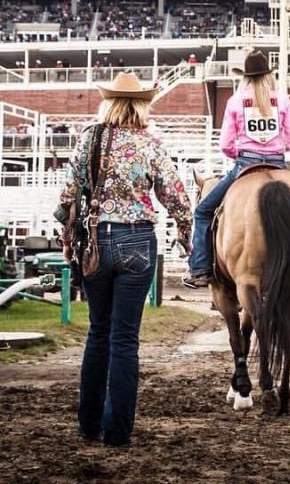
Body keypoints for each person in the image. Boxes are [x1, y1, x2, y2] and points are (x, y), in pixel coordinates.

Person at [54, 72, 192, 448]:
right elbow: (176, 196)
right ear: (141, 105)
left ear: (108, 102)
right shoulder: (150, 143)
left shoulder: (89, 139)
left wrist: (69, 242)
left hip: (96, 241)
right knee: (125, 338)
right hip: (136, 241)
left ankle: (89, 423)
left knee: (97, 332)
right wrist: (184, 232)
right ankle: (118, 432)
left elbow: (68, 197)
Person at [182, 50, 290, 288]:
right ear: (269, 76)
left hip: (246, 163)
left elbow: (226, 145)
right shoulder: (282, 100)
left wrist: (237, 154)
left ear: (246, 77)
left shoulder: (235, 101)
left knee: (203, 211)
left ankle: (199, 268)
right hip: (278, 163)